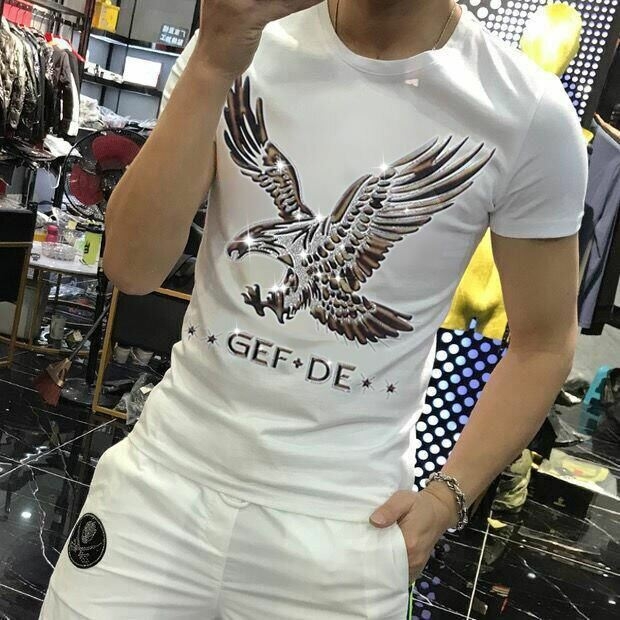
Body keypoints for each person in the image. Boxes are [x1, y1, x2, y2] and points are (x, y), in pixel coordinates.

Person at [40, 1, 588, 618]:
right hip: (166, 476)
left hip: (346, 522)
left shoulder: (527, 111)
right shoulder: (240, 40)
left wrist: (445, 500)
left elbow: (545, 343)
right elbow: (130, 268)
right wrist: (214, 61)